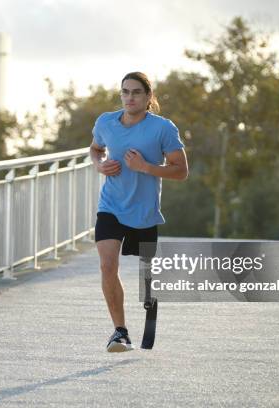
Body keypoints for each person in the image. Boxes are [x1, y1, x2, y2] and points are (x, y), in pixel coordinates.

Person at [89, 72, 188, 352]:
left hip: (144, 211)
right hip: (111, 206)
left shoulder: (163, 128)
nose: (129, 98)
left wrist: (146, 168)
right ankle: (120, 332)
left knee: (148, 278)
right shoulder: (106, 122)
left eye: (135, 93)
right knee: (107, 265)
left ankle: (150, 301)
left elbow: (181, 171)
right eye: (125, 92)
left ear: (148, 97)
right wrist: (100, 164)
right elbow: (96, 148)